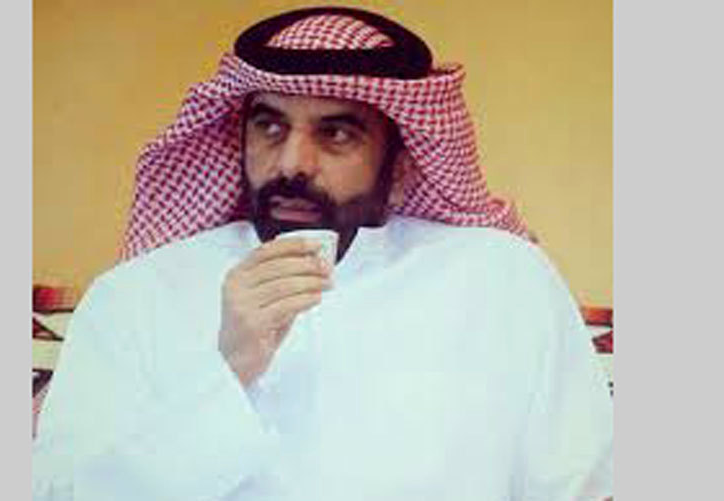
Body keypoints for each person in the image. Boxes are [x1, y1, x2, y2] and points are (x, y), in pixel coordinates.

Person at [33, 7, 613, 500]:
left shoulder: (502, 278)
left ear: (400, 169)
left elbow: (579, 484)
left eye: (336, 134)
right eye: (270, 127)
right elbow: (64, 492)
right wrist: (229, 370)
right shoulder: (138, 294)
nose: (292, 164)